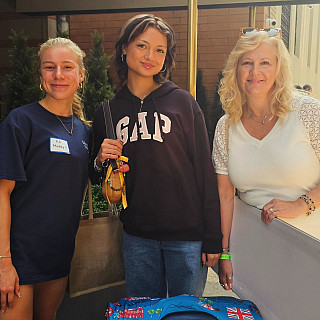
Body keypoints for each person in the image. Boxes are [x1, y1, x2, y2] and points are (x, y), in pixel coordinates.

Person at [90, 14, 222, 298]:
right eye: (142, 46)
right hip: (138, 236)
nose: (150, 56)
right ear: (124, 48)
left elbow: (205, 173)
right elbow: (95, 175)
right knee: (143, 315)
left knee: (185, 316)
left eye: (160, 50)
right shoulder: (108, 112)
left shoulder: (183, 102)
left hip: (187, 237)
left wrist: (214, 238)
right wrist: (101, 160)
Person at [212, 31, 320, 291]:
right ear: (235, 69)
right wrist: (225, 252)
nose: (254, 71)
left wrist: (300, 204)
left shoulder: (308, 112)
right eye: (246, 62)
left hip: (310, 248)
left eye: (265, 63)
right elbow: (225, 196)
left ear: (279, 68)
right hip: (255, 253)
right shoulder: (225, 126)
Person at [0, 37, 90, 319]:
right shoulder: (20, 121)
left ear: (81, 75)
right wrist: (3, 262)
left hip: (58, 253)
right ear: (40, 74)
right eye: (49, 67)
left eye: (67, 67)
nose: (59, 75)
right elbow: (1, 192)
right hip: (18, 255)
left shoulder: (85, 131)